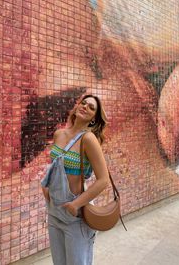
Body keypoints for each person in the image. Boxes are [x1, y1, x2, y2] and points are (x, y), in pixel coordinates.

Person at [41, 94, 110, 265]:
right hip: (54, 210)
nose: (85, 106)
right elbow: (55, 165)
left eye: (91, 107)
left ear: (94, 119)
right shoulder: (59, 134)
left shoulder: (88, 139)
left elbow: (103, 180)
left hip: (75, 215)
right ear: (77, 107)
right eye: (83, 103)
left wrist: (75, 204)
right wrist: (45, 185)